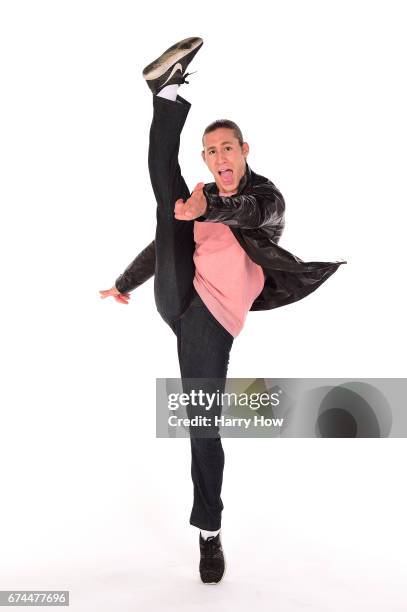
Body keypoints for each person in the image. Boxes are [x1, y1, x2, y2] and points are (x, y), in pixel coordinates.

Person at [99, 36, 346, 585]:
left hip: (210, 324)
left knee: (202, 428)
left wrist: (209, 204)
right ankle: (167, 96)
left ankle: (209, 535)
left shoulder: (266, 198)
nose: (218, 159)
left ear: (244, 150)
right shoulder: (199, 193)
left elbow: (250, 211)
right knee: (167, 203)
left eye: (226, 149)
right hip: (178, 297)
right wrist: (124, 284)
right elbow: (163, 244)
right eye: (210, 152)